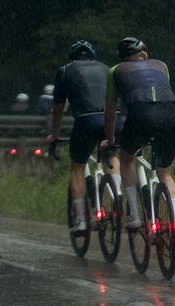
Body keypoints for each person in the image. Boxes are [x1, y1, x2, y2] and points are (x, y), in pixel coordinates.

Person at [101, 37, 175, 243]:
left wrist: (110, 139)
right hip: (170, 113)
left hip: (140, 113)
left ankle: (135, 216)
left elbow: (110, 112)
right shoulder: (162, 66)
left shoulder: (116, 70)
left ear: (122, 57)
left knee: (126, 159)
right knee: (164, 172)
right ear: (145, 53)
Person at [46, 40, 123, 234]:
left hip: (86, 121)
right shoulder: (107, 69)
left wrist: (54, 135)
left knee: (77, 167)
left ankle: (81, 220)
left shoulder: (64, 71)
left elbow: (58, 109)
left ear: (72, 58)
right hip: (112, 119)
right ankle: (117, 194)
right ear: (92, 57)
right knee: (112, 154)